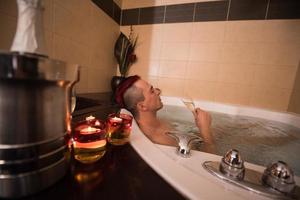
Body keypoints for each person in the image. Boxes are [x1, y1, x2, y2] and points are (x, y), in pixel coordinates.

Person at [115, 75, 214, 149]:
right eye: (152, 91)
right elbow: (202, 163)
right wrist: (205, 129)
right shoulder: (159, 141)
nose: (158, 91)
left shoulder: (158, 122)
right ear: (142, 106)